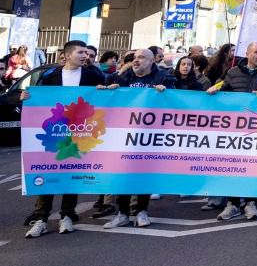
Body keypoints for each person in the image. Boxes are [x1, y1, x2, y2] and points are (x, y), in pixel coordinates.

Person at [22, 41, 107, 238]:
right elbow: (35, 97)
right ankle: (41, 218)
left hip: (80, 130)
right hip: (54, 130)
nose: (85, 55)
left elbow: (103, 98)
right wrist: (25, 96)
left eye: (87, 52)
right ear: (67, 55)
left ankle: (67, 215)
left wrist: (107, 90)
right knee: (49, 171)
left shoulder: (92, 75)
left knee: (72, 172)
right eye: (80, 52)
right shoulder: (49, 75)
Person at [101, 47, 175, 228]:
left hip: (150, 136)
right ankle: (123, 213)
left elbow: (175, 100)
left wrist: (167, 92)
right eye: (135, 57)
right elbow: (105, 97)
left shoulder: (163, 78)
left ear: (152, 61)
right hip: (125, 135)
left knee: (144, 173)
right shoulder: (123, 78)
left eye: (141, 57)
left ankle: (142, 211)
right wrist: (106, 90)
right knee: (123, 174)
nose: (136, 60)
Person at [207, 42, 257, 221]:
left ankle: (250, 202)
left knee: (252, 165)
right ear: (247, 54)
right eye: (256, 52)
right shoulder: (233, 72)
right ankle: (232, 204)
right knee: (232, 166)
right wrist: (214, 92)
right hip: (235, 128)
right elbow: (225, 92)